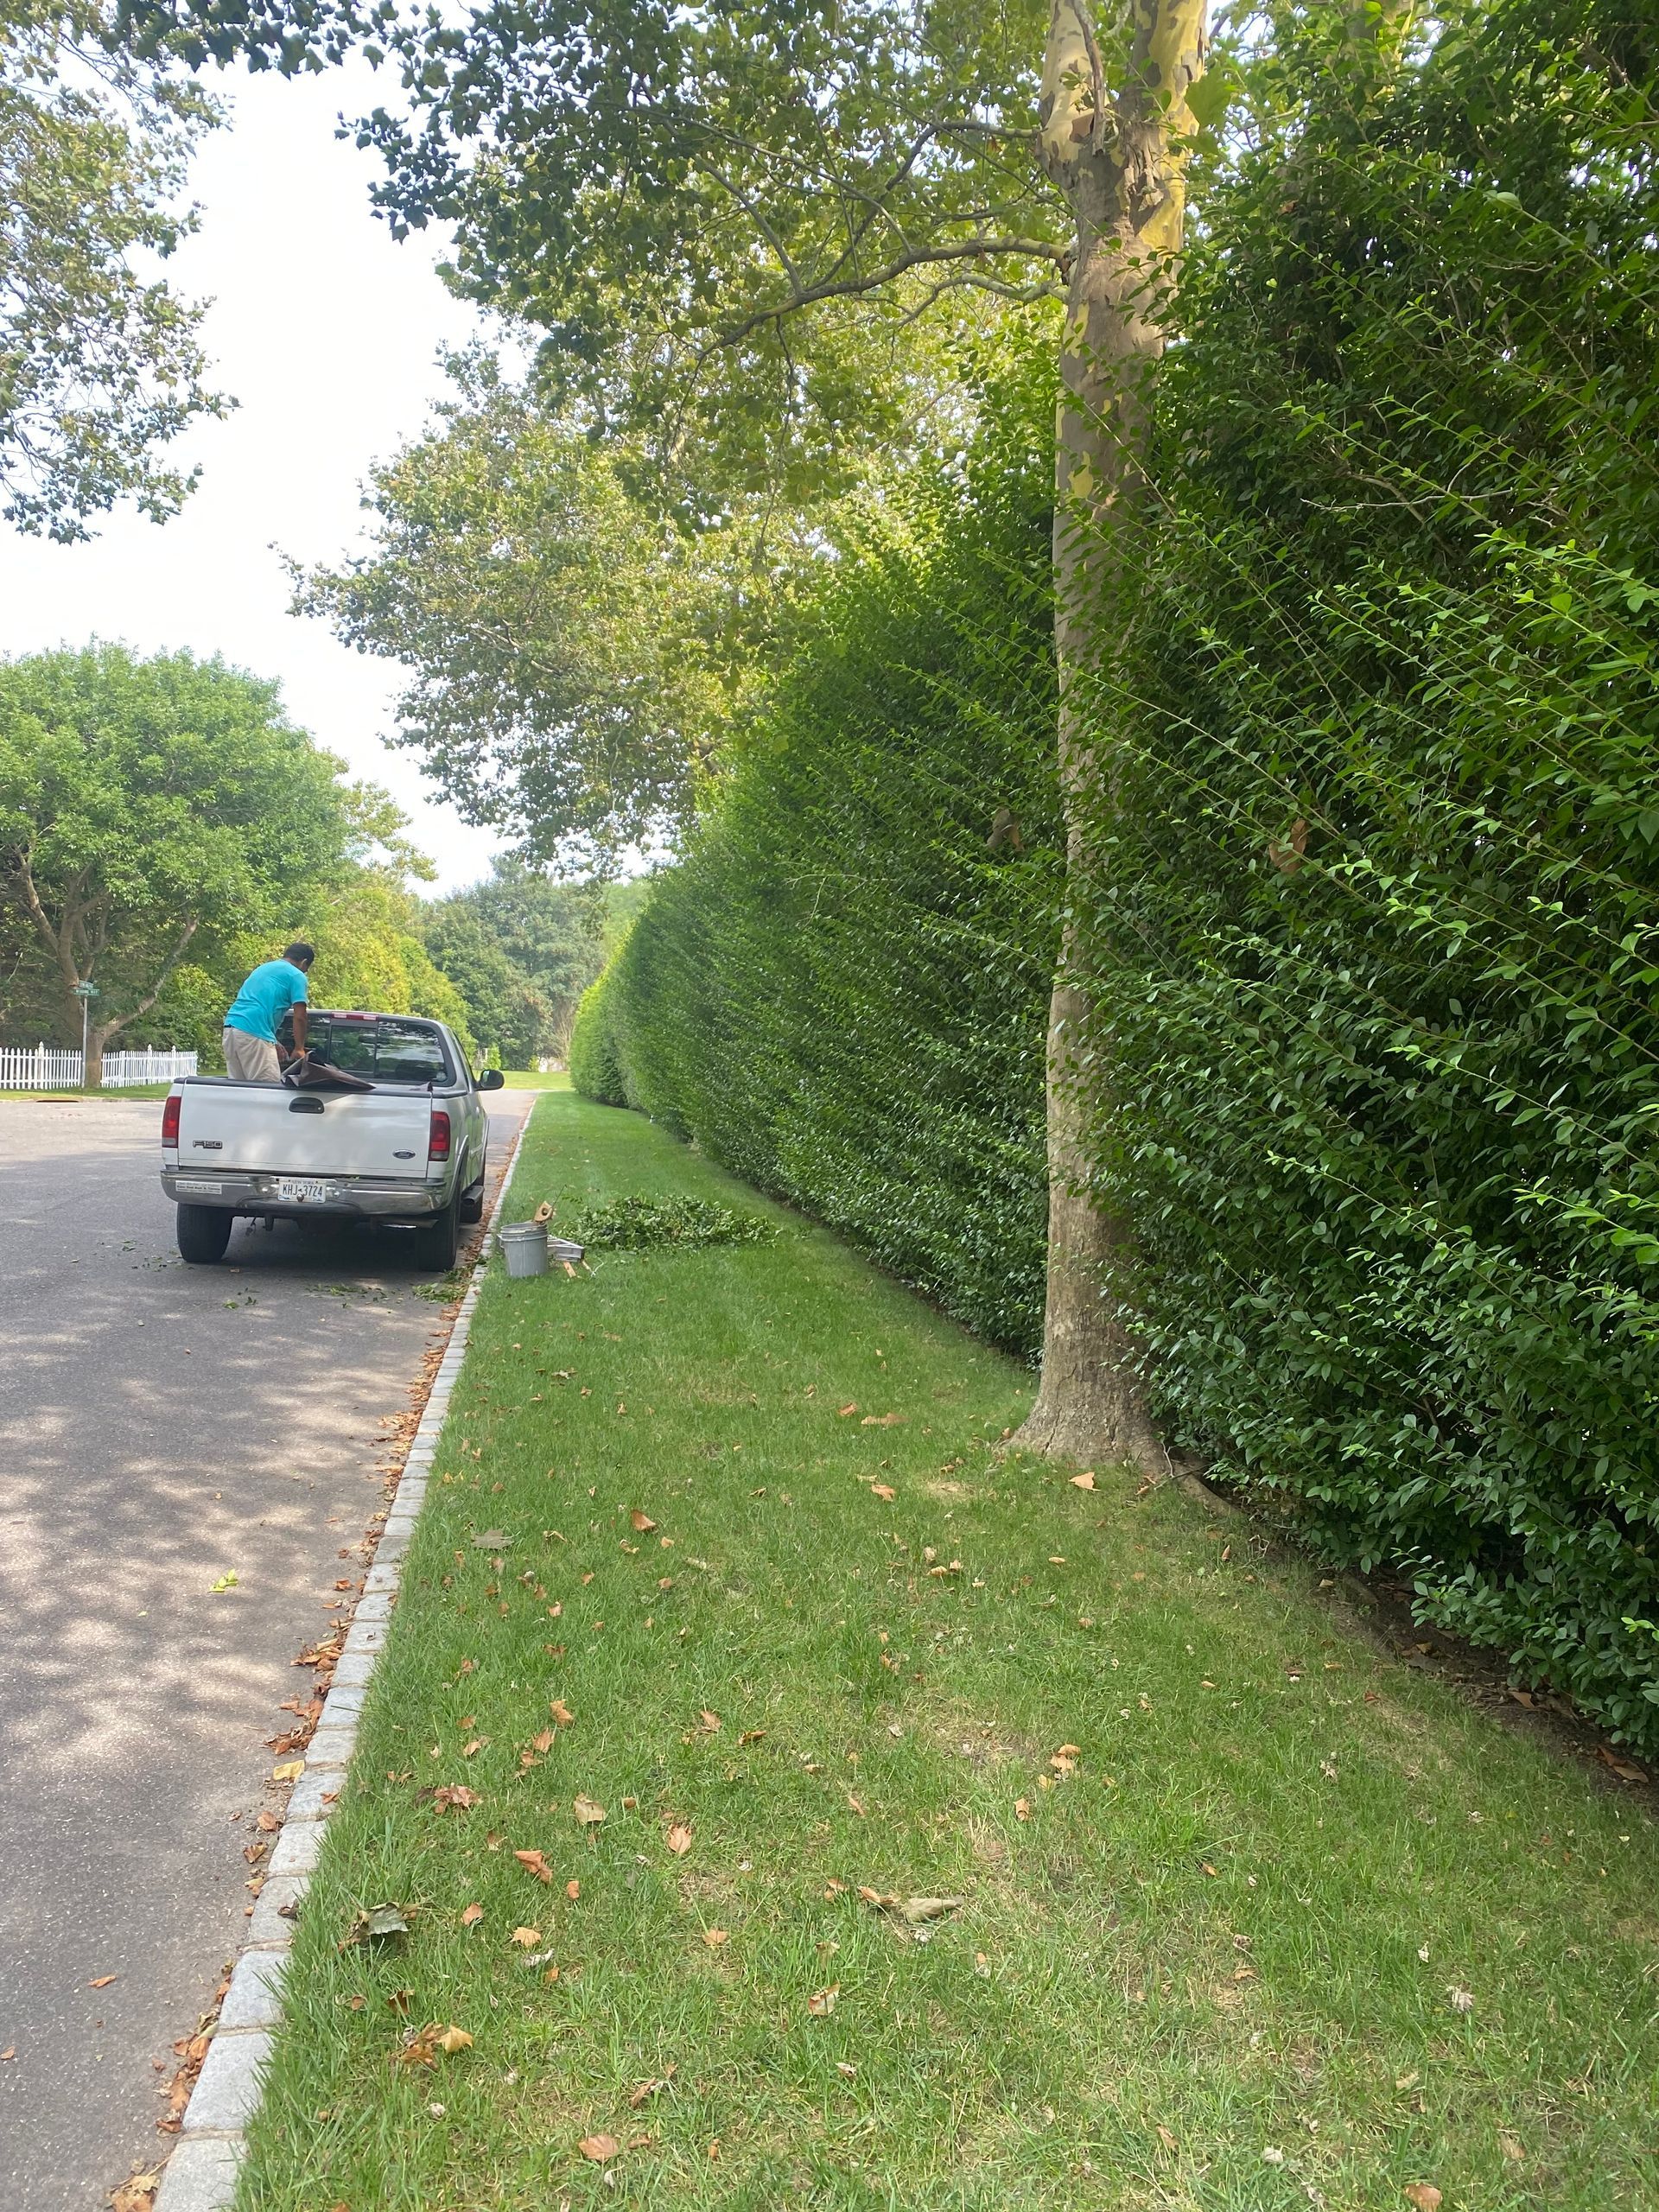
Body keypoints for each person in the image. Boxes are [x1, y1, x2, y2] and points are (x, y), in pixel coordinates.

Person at [222, 942, 315, 1083]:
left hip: (231, 1030)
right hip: (253, 1032)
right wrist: (299, 1048)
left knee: (239, 1092)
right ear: (304, 962)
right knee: (268, 1090)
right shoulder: (296, 975)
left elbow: (257, 1004)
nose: (305, 972)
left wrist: (272, 1040)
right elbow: (300, 1016)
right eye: (306, 969)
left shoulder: (263, 968)